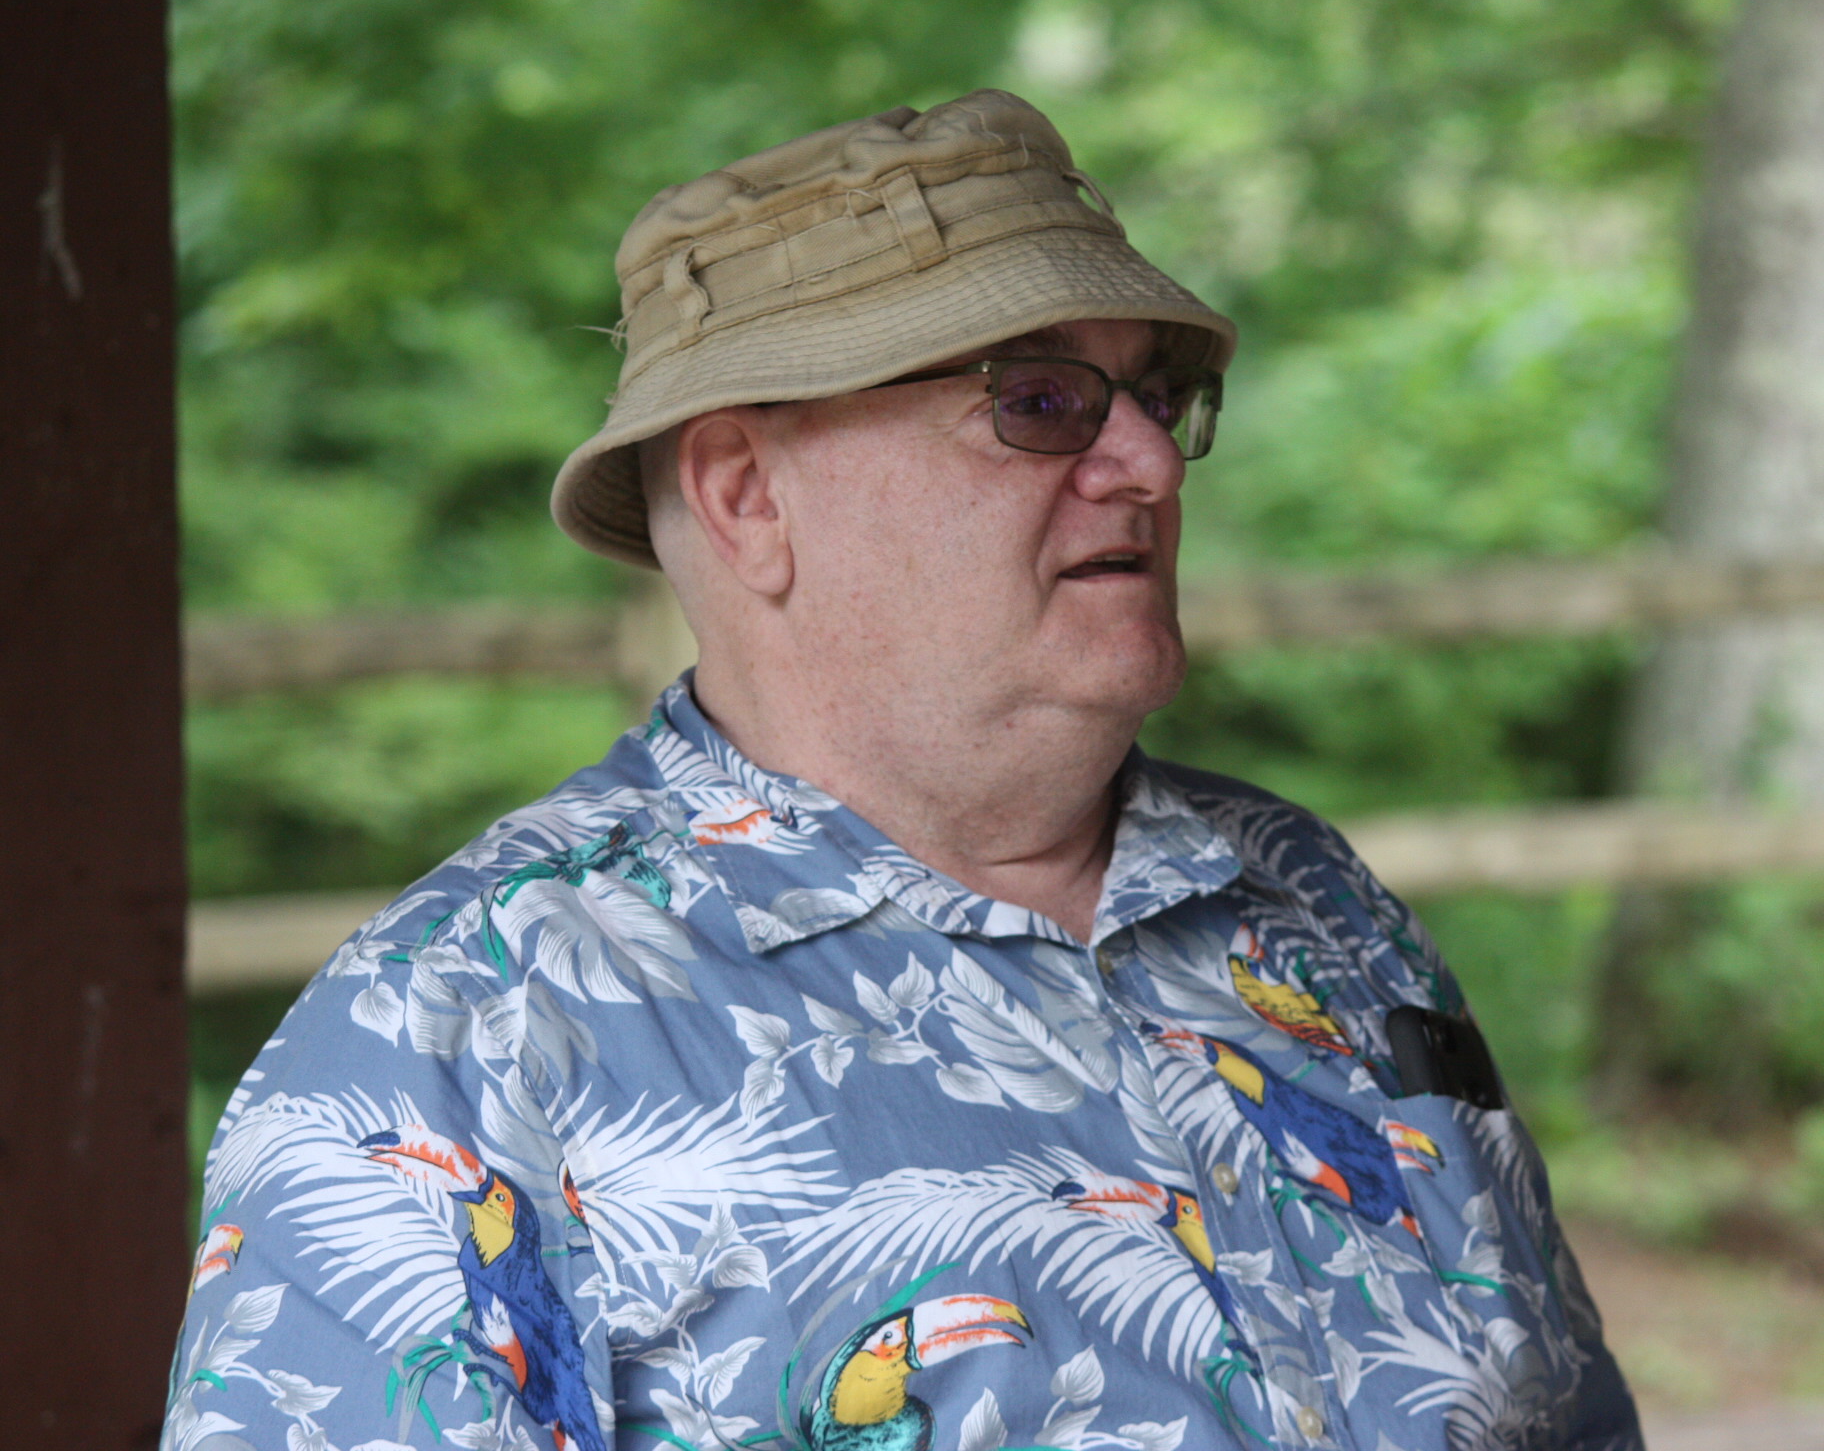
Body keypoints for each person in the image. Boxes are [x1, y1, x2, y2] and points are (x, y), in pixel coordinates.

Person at [165, 89, 1642, 1451]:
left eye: (1156, 397)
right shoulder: (456, 1034)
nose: (1149, 463)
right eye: (1042, 400)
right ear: (747, 496)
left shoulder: (1311, 898)